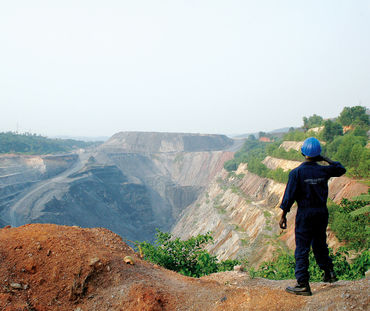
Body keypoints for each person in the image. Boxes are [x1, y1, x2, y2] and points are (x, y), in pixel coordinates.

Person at [279, 137, 346, 296]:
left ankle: (302, 284)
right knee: (320, 244)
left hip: (305, 214)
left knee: (302, 248)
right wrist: (325, 159)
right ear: (318, 155)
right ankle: (329, 273)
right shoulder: (324, 170)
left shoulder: (296, 173)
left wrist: (283, 215)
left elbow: (289, 197)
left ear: (303, 152)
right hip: (321, 213)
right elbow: (340, 169)